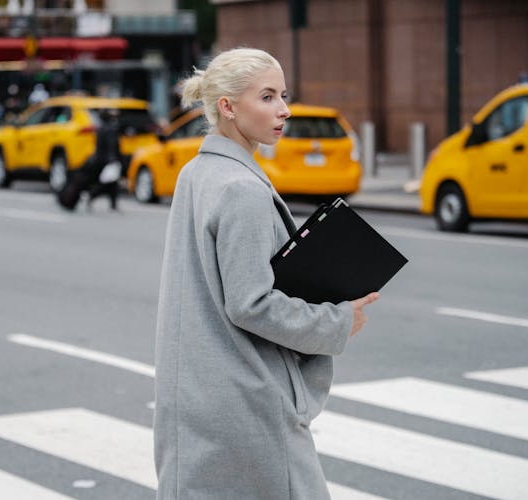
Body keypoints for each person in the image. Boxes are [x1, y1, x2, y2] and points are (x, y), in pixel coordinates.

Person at [153, 48, 379, 499]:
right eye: (268, 97)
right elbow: (250, 302)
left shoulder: (197, 173)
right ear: (228, 107)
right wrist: (337, 321)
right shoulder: (241, 189)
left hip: (198, 396)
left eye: (283, 95)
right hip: (247, 404)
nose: (284, 109)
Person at [57, 108, 121, 211]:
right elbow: (111, 146)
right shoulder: (110, 129)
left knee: (110, 183)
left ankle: (108, 202)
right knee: (109, 182)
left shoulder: (101, 128)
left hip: (97, 159)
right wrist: (113, 160)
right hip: (105, 161)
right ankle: (92, 196)